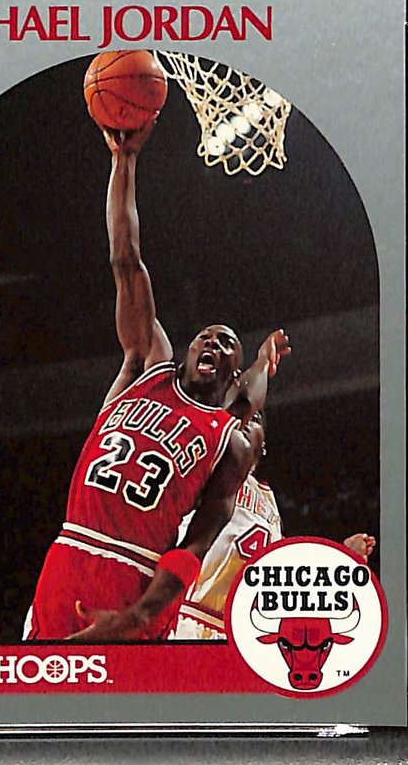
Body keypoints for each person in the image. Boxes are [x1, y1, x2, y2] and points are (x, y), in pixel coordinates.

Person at [23, 120, 290, 643]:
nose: (211, 342)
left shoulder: (231, 437)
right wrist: (123, 163)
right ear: (188, 348)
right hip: (70, 551)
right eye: (205, 337)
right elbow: (127, 262)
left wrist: (139, 616)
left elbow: (197, 543)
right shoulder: (144, 367)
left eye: (226, 344)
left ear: (233, 374)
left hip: (137, 578)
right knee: (43, 690)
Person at [170, 412, 376, 640]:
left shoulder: (267, 498)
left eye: (254, 418)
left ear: (263, 445)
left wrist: (340, 557)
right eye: (236, 414)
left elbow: (281, 571)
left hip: (242, 633)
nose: (243, 420)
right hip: (189, 619)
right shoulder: (200, 472)